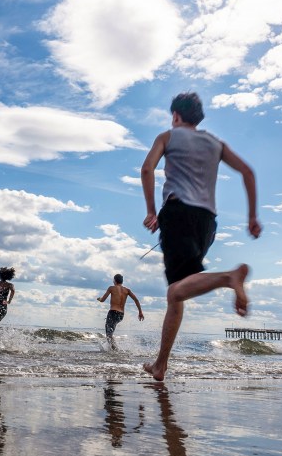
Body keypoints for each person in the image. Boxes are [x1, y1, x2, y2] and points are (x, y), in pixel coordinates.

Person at [140, 92, 261, 381]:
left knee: (175, 291)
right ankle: (161, 365)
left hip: (178, 213)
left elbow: (147, 169)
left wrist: (151, 211)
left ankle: (228, 277)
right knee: (179, 290)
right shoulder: (215, 143)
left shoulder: (167, 137)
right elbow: (247, 172)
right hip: (207, 221)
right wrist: (252, 216)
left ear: (176, 116)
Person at [97, 274, 144, 350]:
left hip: (112, 312)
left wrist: (99, 299)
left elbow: (103, 300)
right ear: (122, 281)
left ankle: (115, 350)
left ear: (114, 280)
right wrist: (140, 312)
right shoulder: (127, 290)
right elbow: (136, 300)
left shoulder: (111, 288)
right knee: (110, 333)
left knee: (109, 334)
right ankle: (113, 349)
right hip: (121, 315)